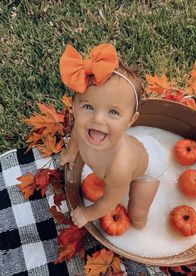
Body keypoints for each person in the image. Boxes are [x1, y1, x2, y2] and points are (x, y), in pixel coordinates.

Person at [60, 43, 168, 229]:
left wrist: (86, 213)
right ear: (74, 107)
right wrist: (71, 153)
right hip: (138, 144)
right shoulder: (82, 128)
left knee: (137, 215)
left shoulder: (119, 166)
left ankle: (144, 233)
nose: (98, 119)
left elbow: (108, 203)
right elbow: (76, 136)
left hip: (151, 166)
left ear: (130, 121)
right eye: (88, 107)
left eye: (113, 112)